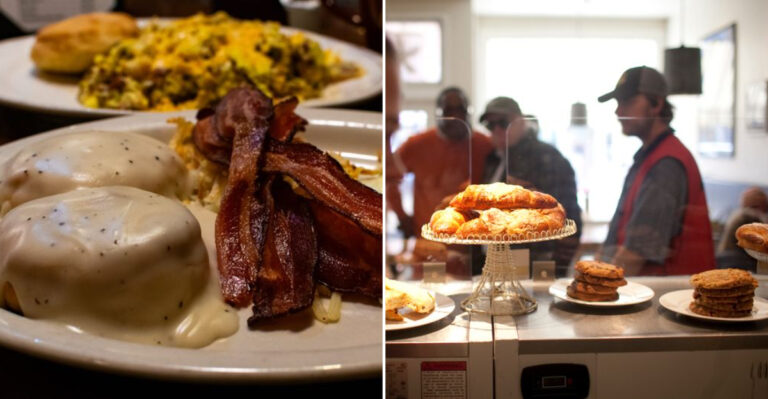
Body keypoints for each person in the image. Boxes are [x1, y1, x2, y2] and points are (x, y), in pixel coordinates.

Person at [597, 66, 715, 275]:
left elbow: (636, 253)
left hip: (668, 296)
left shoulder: (666, 163)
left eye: (628, 102)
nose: (618, 111)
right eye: (618, 103)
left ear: (657, 104)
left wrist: (596, 284)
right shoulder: (651, 155)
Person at [479, 97, 582, 273]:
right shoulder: (494, 159)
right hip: (498, 265)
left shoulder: (547, 158)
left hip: (536, 265)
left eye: (503, 123)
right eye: (490, 124)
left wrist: (553, 270)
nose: (496, 129)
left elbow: (567, 216)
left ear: (520, 122)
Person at [387, 87, 494, 239]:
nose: (455, 115)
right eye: (448, 110)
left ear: (468, 112)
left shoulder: (485, 145)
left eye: (460, 109)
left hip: (474, 243)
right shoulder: (417, 144)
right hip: (428, 242)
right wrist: (401, 216)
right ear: (438, 114)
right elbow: (390, 177)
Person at [716, 187, 768, 270]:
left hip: (725, 260)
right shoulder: (749, 216)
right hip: (739, 263)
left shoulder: (737, 214)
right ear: (760, 204)